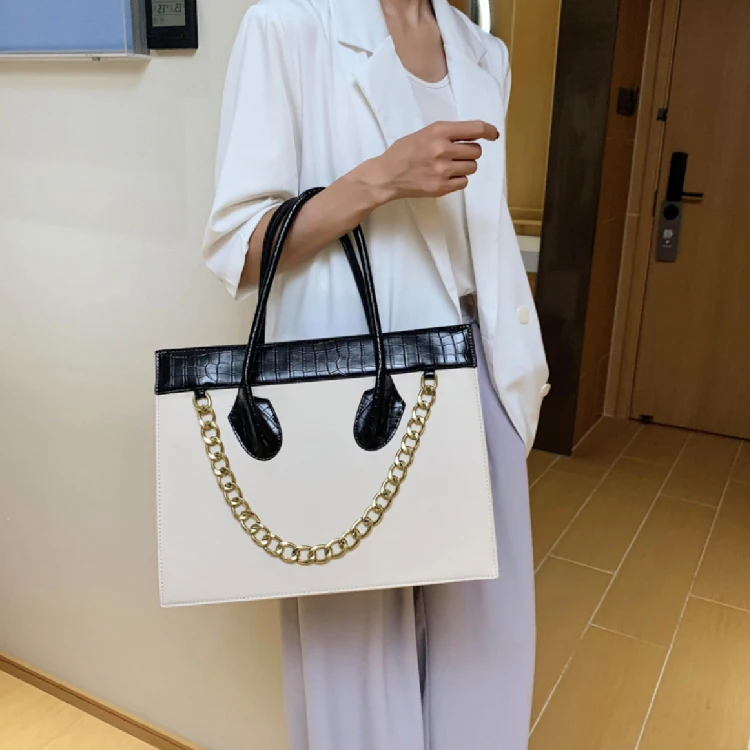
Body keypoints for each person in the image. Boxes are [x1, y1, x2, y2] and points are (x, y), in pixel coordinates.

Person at [203, 0, 549, 747]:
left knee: (486, 661)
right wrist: (381, 178)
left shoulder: (483, 51)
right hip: (348, 390)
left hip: (478, 378)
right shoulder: (288, 25)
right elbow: (241, 247)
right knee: (355, 674)